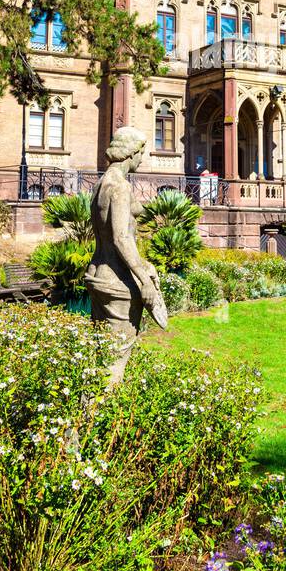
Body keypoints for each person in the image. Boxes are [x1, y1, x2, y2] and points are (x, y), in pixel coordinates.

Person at [84, 126, 168, 380]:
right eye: (142, 153)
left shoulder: (102, 184)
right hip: (117, 282)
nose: (143, 159)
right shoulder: (120, 187)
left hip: (98, 274)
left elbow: (134, 211)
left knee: (100, 351)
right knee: (115, 358)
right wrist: (144, 279)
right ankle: (107, 415)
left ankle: (88, 410)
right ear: (131, 154)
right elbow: (121, 238)